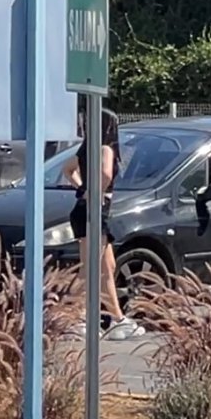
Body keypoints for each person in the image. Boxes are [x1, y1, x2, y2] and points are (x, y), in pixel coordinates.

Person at [62, 109, 145, 341]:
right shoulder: (106, 148)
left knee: (106, 267)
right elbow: (107, 174)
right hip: (94, 211)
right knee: (89, 268)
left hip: (88, 209)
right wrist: (96, 192)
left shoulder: (86, 148)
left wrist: (83, 188)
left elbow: (67, 170)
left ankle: (116, 319)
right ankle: (74, 318)